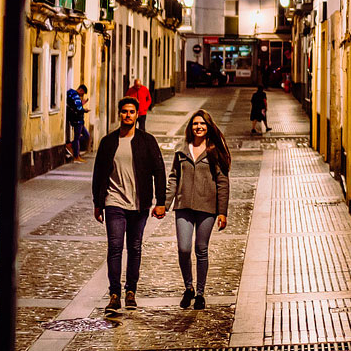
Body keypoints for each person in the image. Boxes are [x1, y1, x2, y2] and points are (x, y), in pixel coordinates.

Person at [90, 96, 166, 313]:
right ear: (119, 114)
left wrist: (160, 202)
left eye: (132, 112)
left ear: (137, 114)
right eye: (124, 111)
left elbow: (159, 171)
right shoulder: (108, 142)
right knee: (115, 247)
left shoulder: (147, 141)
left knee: (134, 248)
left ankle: (130, 290)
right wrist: (98, 203)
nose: (128, 115)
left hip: (139, 204)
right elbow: (98, 173)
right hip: (114, 202)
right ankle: (114, 294)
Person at [170, 110, 230, 310]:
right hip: (184, 206)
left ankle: (201, 293)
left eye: (202, 124)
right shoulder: (181, 150)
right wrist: (164, 202)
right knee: (184, 249)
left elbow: (223, 183)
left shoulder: (214, 151)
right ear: (190, 127)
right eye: (195, 124)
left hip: (207, 208)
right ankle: (188, 287)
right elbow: (173, 178)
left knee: (201, 249)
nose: (199, 127)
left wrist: (222, 212)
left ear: (208, 126)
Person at [65, 83, 89, 161]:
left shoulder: (71, 94)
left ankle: (71, 146)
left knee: (86, 135)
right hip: (77, 120)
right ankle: (76, 156)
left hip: (78, 120)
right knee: (77, 138)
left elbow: (74, 105)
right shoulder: (75, 96)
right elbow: (78, 108)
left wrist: (82, 104)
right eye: (83, 93)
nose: (82, 95)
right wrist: (84, 110)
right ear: (81, 90)